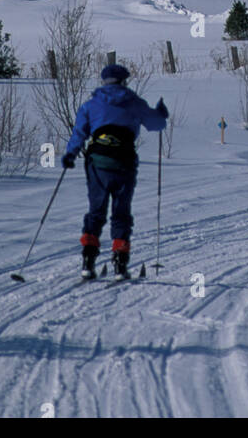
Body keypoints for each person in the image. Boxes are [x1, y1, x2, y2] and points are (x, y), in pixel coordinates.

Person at [62, 63, 168, 279]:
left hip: (97, 163)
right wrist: (160, 113)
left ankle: (88, 260)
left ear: (104, 81)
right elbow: (157, 125)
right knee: (121, 213)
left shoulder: (91, 105)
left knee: (96, 211)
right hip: (124, 162)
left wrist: (70, 154)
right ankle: (120, 262)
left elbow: (79, 133)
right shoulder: (134, 103)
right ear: (123, 81)